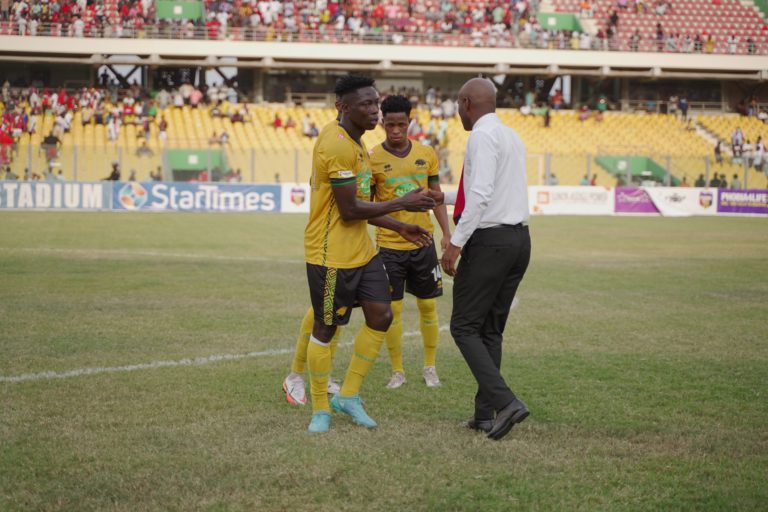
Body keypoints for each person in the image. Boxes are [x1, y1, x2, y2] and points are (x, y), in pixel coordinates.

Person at [302, 74, 435, 434]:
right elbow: (348, 210)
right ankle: (319, 408)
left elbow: (362, 206)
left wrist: (400, 226)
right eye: (366, 104)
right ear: (342, 107)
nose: (375, 111)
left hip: (362, 251)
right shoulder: (338, 145)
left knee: (380, 315)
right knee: (326, 328)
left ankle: (348, 395)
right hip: (330, 254)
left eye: (376, 103)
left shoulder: (357, 142)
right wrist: (404, 202)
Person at [427, 77, 531, 441]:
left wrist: (455, 243)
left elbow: (481, 194)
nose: (456, 111)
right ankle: (485, 415)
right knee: (490, 330)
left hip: (490, 241)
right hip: (519, 239)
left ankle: (506, 403)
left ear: (468, 102)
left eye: (458, 104)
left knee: (464, 327)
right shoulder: (511, 135)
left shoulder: (482, 137)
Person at [371, 94, 452, 389]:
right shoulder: (372, 158)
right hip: (389, 247)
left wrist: (446, 233)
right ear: (382, 122)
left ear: (409, 122)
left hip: (424, 244)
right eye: (389, 124)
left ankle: (430, 367)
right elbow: (367, 208)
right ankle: (398, 371)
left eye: (401, 124)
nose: (395, 130)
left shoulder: (427, 154)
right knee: (393, 311)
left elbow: (436, 197)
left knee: (428, 308)